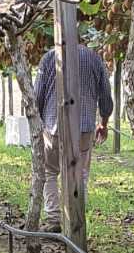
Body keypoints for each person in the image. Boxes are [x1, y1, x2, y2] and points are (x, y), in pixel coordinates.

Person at [32, 38, 114, 230]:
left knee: (50, 172)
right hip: (84, 127)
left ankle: (53, 220)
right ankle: (75, 217)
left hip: (53, 126)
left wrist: (39, 124)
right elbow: (105, 97)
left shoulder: (49, 58)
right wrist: (103, 123)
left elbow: (37, 97)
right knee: (80, 172)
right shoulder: (95, 58)